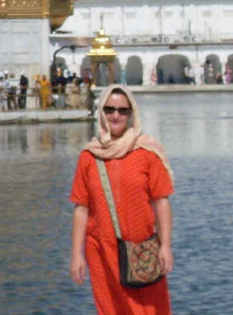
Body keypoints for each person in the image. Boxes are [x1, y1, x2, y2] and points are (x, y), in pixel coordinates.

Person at [69, 85, 174, 314]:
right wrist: (77, 254)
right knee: (109, 307)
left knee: (148, 308)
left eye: (122, 111)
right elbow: (81, 208)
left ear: (130, 113)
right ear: (101, 112)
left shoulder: (147, 153)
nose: (115, 115)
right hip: (101, 249)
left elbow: (161, 202)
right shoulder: (90, 156)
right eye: (109, 109)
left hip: (141, 250)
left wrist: (165, 246)